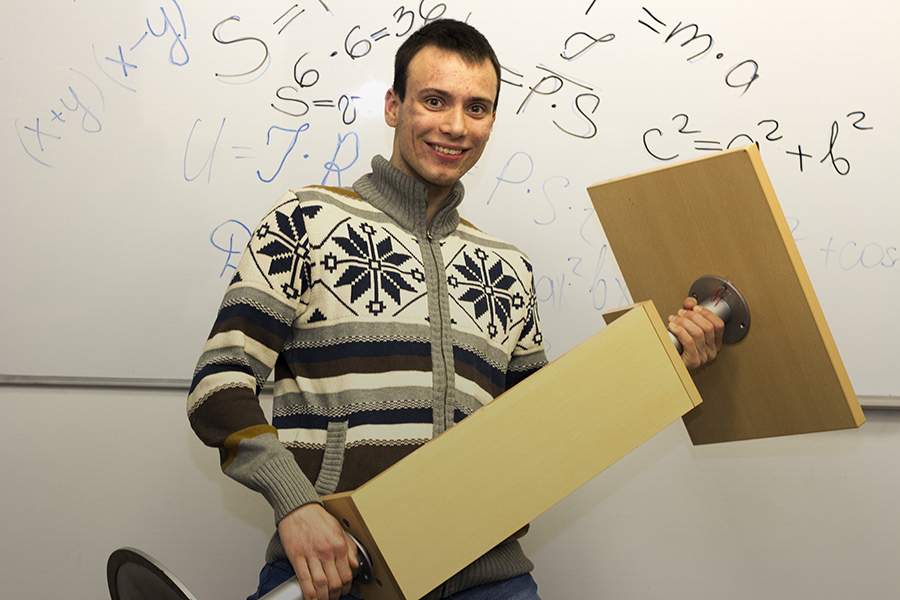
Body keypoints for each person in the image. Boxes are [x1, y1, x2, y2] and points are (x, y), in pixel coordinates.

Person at [187, 19, 724, 600]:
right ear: (393, 106)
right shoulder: (304, 221)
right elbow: (219, 385)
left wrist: (661, 360)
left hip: (490, 580)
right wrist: (295, 505)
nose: (455, 126)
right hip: (336, 574)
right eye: (435, 101)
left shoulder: (508, 267)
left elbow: (542, 431)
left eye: (477, 108)